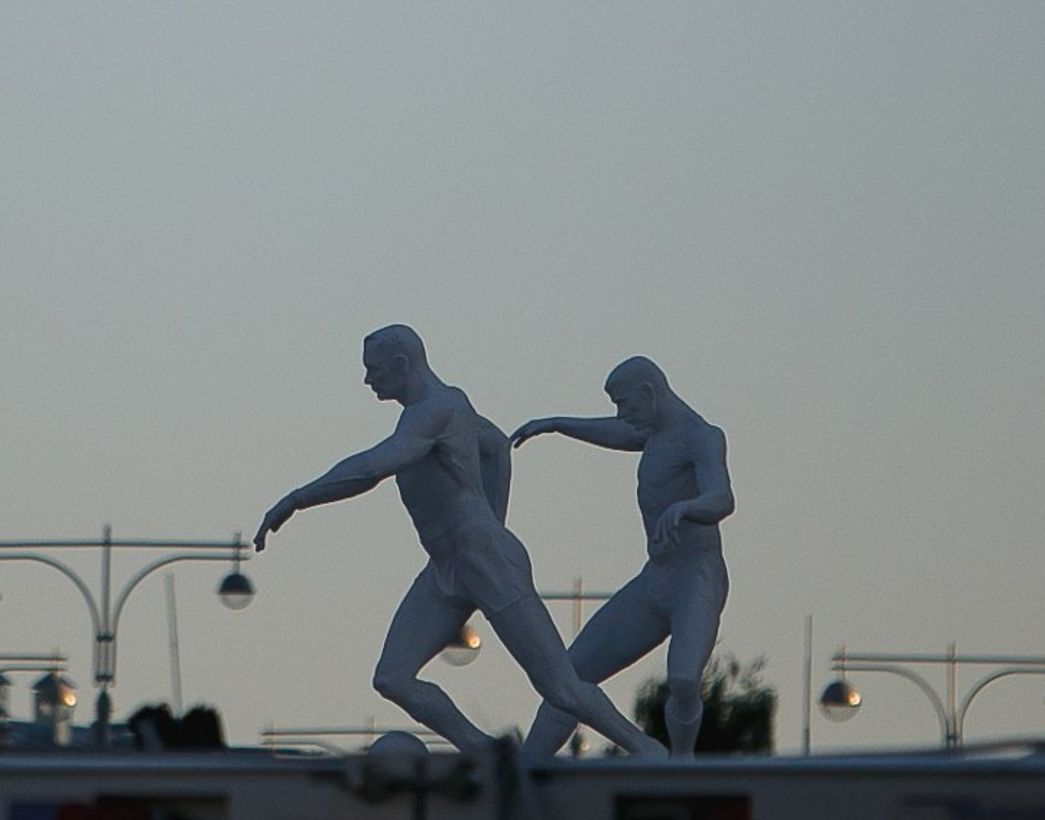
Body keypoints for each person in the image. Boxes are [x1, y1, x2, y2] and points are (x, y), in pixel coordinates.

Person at [255, 325, 666, 764]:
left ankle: (647, 749)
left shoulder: (439, 407)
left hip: (484, 557)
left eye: (373, 370)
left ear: (400, 365)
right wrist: (493, 520)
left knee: (558, 685)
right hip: (447, 565)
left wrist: (297, 500)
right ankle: (485, 752)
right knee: (393, 676)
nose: (367, 381)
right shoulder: (442, 410)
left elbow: (375, 466)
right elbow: (495, 448)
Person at [510, 356, 734, 758]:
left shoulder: (702, 436)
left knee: (683, 679)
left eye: (624, 403)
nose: (621, 414)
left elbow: (722, 497)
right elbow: (615, 431)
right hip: (656, 578)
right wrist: (557, 424)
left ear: (649, 394)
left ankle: (681, 763)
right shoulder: (653, 434)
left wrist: (687, 508)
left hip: (697, 576)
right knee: (569, 675)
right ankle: (528, 765)